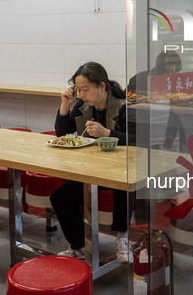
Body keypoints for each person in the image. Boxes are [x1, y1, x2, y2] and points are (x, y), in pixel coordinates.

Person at [50, 62, 136, 263]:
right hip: (91, 168)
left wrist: (108, 133)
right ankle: (78, 246)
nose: (81, 94)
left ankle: (123, 238)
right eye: (78, 89)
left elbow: (137, 139)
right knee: (60, 197)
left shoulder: (125, 107)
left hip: (120, 168)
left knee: (121, 184)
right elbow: (62, 134)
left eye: (85, 89)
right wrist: (65, 105)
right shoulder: (82, 106)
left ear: (102, 86)